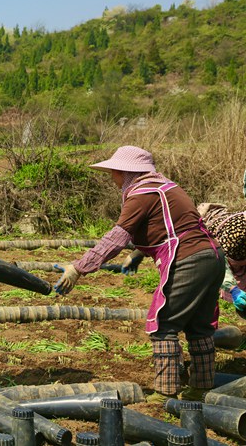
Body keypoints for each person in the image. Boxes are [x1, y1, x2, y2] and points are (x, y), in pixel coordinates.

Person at [53, 145, 225, 403]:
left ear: (125, 172)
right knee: (198, 326)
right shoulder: (166, 187)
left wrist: (79, 267)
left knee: (164, 325)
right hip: (211, 257)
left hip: (188, 258)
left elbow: (117, 237)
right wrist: (138, 254)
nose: (112, 178)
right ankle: (200, 389)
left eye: (114, 173)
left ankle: (165, 393)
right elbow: (166, 227)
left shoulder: (142, 194)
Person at [123, 202, 246, 314]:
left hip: (232, 256)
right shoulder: (236, 232)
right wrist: (233, 289)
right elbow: (218, 260)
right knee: (205, 295)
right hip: (203, 248)